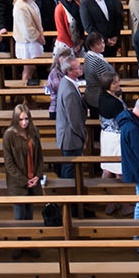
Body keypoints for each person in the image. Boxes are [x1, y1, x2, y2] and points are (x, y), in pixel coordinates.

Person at [2, 101, 44, 222]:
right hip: (18, 184)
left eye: (26, 119)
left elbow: (40, 156)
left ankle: (29, 241)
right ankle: (21, 240)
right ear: (15, 119)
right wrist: (24, 180)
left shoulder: (34, 132)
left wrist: (37, 176)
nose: (24, 122)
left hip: (33, 181)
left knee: (29, 216)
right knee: (20, 218)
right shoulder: (9, 135)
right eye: (21, 119)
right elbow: (9, 163)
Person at [54, 55, 87, 185]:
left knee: (68, 167)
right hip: (71, 137)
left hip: (67, 135)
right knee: (70, 171)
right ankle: (70, 200)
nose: (81, 69)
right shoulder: (70, 92)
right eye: (77, 68)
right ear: (69, 71)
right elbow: (74, 120)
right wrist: (83, 135)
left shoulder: (66, 82)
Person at [82, 31, 124, 122]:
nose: (102, 45)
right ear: (91, 47)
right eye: (99, 44)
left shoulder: (91, 56)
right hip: (98, 98)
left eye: (103, 42)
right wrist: (118, 92)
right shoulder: (95, 61)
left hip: (93, 96)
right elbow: (107, 81)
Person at [12, 0, 44, 86]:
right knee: (28, 68)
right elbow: (27, 28)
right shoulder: (20, 6)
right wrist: (39, 38)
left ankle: (28, 93)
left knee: (32, 67)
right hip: (27, 42)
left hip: (33, 40)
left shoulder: (29, 1)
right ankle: (24, 93)